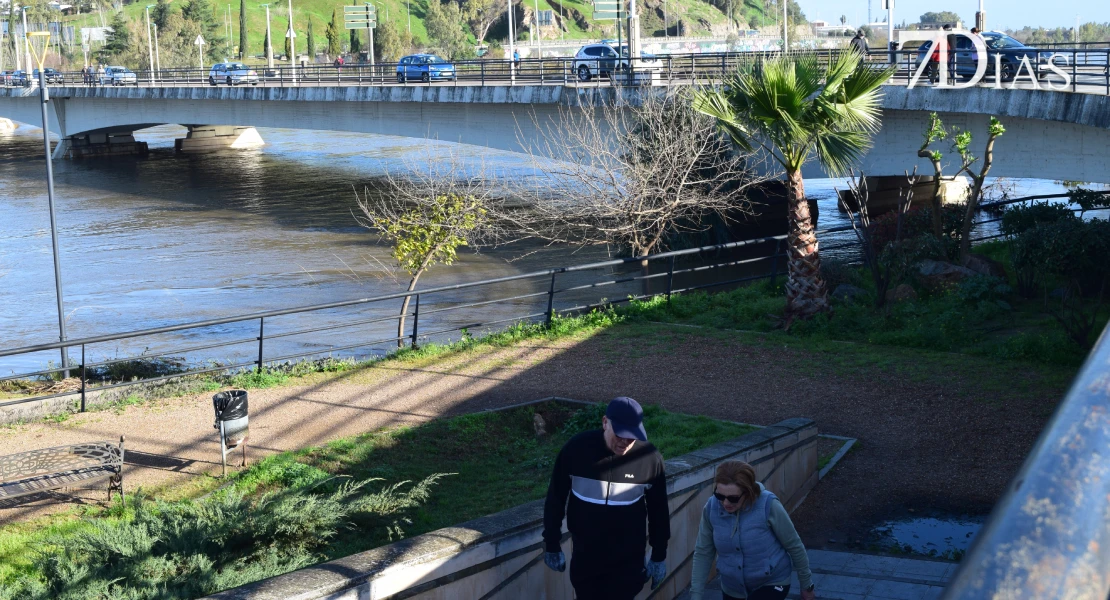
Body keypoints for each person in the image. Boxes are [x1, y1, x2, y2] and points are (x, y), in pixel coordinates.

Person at [542, 397, 670, 600]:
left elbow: (659, 511)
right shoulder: (575, 450)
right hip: (586, 561)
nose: (625, 442)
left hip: (628, 564)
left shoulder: (649, 458)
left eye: (632, 437)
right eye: (620, 435)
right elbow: (555, 498)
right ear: (605, 423)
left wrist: (659, 556)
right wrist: (551, 544)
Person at [690, 461, 816, 600]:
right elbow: (703, 552)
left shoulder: (768, 504)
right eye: (720, 496)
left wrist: (807, 585)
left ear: (748, 492)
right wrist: (695, 595)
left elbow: (794, 545)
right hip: (732, 588)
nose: (725, 503)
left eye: (733, 498)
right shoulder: (711, 508)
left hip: (772, 581)